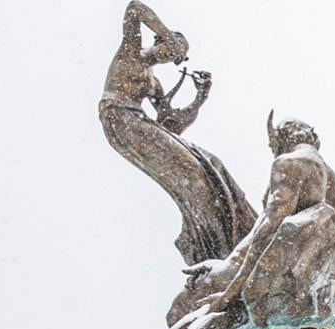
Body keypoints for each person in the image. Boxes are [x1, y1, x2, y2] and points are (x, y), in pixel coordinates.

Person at [100, 1, 257, 266]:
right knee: (192, 173)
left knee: (207, 165)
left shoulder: (153, 83)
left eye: (174, 55)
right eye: (169, 51)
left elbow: (170, 127)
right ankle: (211, 245)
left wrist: (200, 98)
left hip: (137, 123)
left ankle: (222, 238)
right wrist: (169, 34)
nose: (168, 57)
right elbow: (135, 8)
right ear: (159, 42)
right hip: (119, 115)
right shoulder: (131, 51)